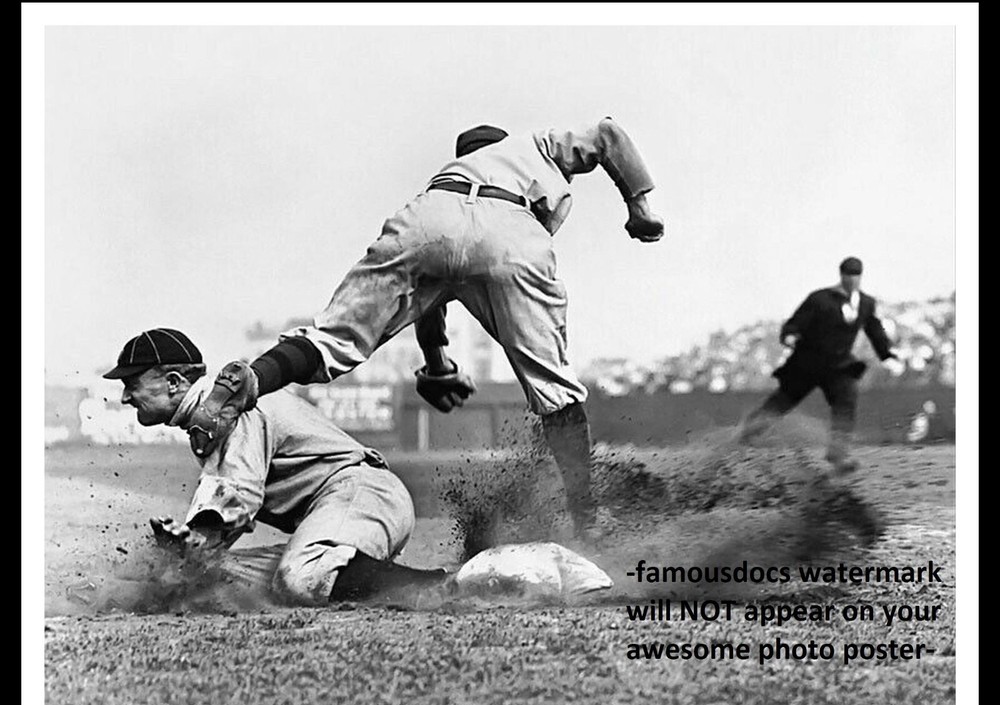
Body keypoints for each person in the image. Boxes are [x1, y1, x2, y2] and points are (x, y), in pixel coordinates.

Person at [185, 117, 666, 540]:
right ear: (500, 145)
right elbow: (607, 134)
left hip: (424, 225)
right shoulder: (533, 147)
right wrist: (639, 206)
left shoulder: (446, 181)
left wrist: (437, 366)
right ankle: (587, 519)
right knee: (556, 390)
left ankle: (254, 378)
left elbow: (427, 301)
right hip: (511, 227)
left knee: (331, 340)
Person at [103, 327, 447, 606]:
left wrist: (195, 542)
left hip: (360, 493)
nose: (125, 396)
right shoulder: (211, 415)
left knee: (300, 577)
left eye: (132, 383)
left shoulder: (229, 409)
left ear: (174, 382)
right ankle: (361, 571)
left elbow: (238, 500)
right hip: (341, 511)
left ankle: (444, 586)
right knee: (211, 579)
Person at [740, 257, 901, 473]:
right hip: (807, 363)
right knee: (783, 400)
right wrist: (790, 336)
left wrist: (887, 354)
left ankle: (838, 453)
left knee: (846, 400)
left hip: (838, 366)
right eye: (848, 276)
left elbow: (874, 330)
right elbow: (794, 324)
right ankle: (747, 434)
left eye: (856, 276)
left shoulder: (865, 303)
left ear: (860, 277)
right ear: (841, 275)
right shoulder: (820, 299)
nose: (852, 280)